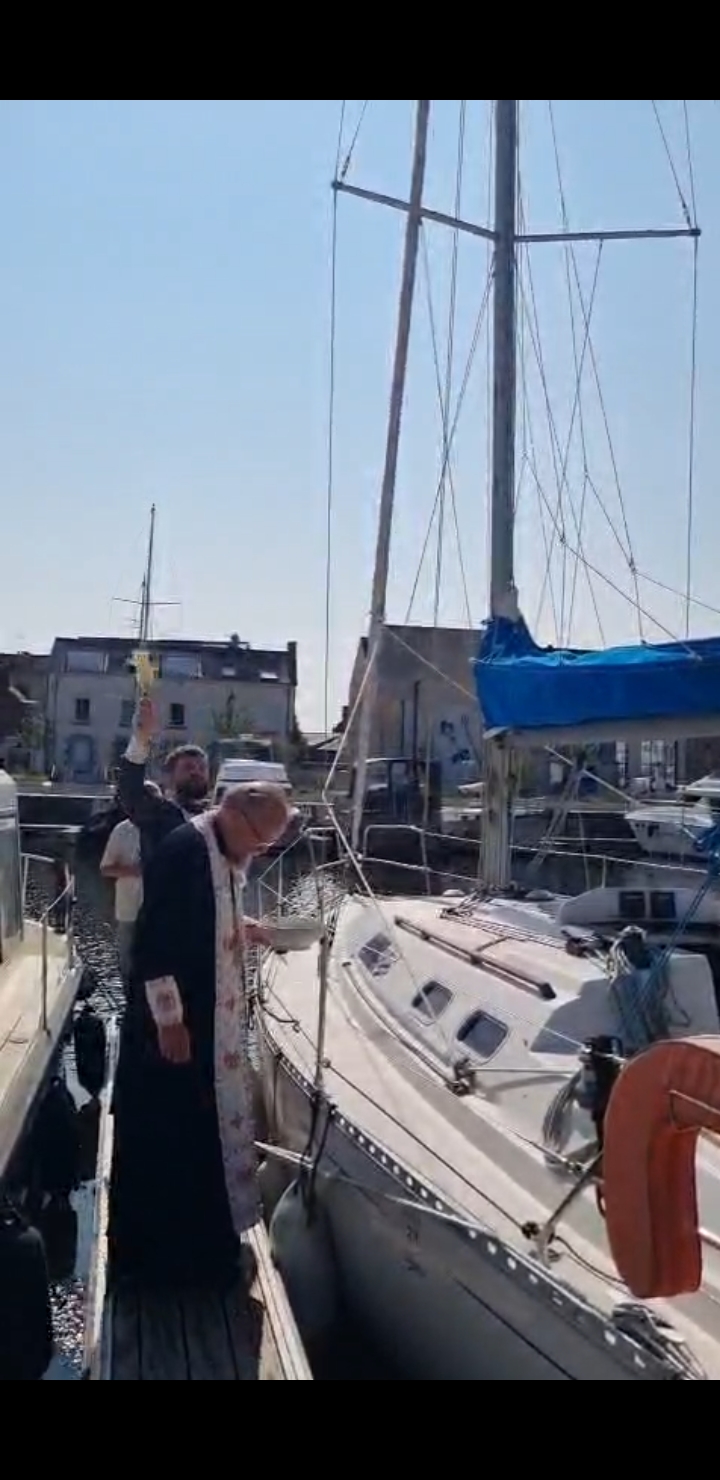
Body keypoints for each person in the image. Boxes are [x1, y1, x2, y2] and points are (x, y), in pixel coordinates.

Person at [109, 781, 294, 1291]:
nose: (260, 851)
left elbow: (204, 923)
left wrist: (246, 927)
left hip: (210, 1027)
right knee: (175, 1142)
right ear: (234, 813)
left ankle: (205, 1250)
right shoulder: (185, 852)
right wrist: (169, 1020)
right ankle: (173, 1269)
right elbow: (153, 943)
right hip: (178, 1031)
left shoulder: (220, 850)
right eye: (259, 840)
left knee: (202, 1139)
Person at [117, 697, 210, 869]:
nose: (196, 772)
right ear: (169, 777)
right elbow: (130, 792)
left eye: (202, 768)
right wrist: (140, 741)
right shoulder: (157, 814)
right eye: (188, 767)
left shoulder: (217, 818)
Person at [100, 784, 161, 988]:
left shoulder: (166, 830)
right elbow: (106, 869)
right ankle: (129, 1001)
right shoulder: (121, 830)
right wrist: (135, 870)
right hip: (128, 911)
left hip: (159, 912)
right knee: (127, 962)